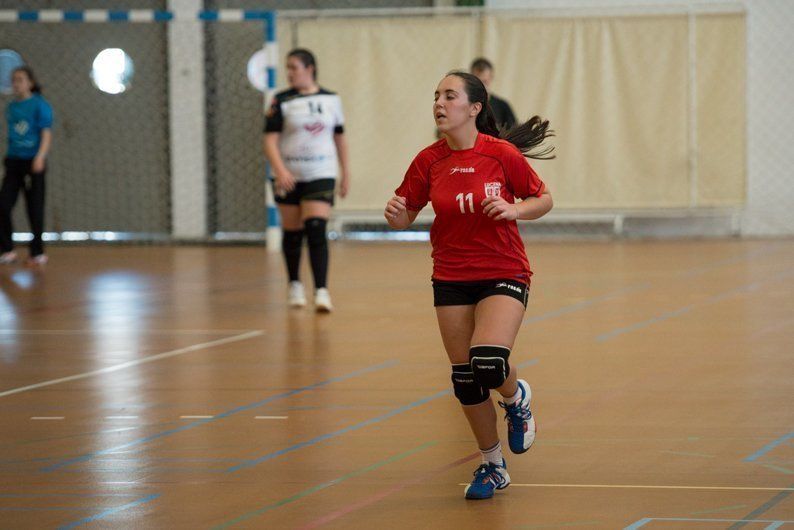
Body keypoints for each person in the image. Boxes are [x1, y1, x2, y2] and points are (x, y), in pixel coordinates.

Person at [384, 71, 554, 500]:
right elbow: (407, 212)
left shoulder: (501, 154)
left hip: (503, 269)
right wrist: (397, 214)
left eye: (449, 96)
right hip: (451, 274)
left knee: (490, 362)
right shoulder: (428, 160)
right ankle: (492, 465)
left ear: (474, 108)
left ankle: (516, 398)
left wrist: (515, 209)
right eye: (436, 96)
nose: (439, 103)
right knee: (466, 379)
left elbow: (543, 198)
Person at [263, 48, 350, 312]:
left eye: (294, 67)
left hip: (321, 173)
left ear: (310, 68)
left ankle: (322, 291)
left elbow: (339, 137)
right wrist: (280, 170)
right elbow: (269, 139)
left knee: (316, 227)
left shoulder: (331, 99)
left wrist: (346, 172)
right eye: (287, 68)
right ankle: (295, 285)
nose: (290, 73)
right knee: (292, 234)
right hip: (289, 176)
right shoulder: (280, 100)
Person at [0, 66, 53, 266]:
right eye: (14, 80)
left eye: (20, 80)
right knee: (3, 204)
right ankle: (7, 249)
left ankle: (37, 252)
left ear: (30, 82)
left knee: (35, 208)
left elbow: (46, 134)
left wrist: (40, 156)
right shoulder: (11, 108)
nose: (16, 84)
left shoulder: (40, 105)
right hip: (14, 162)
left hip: (33, 162)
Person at [470, 57, 517, 132]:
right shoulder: (464, 104)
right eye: (478, 81)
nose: (481, 85)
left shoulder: (502, 106)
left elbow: (513, 133)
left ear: (491, 78)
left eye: (485, 81)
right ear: (471, 79)